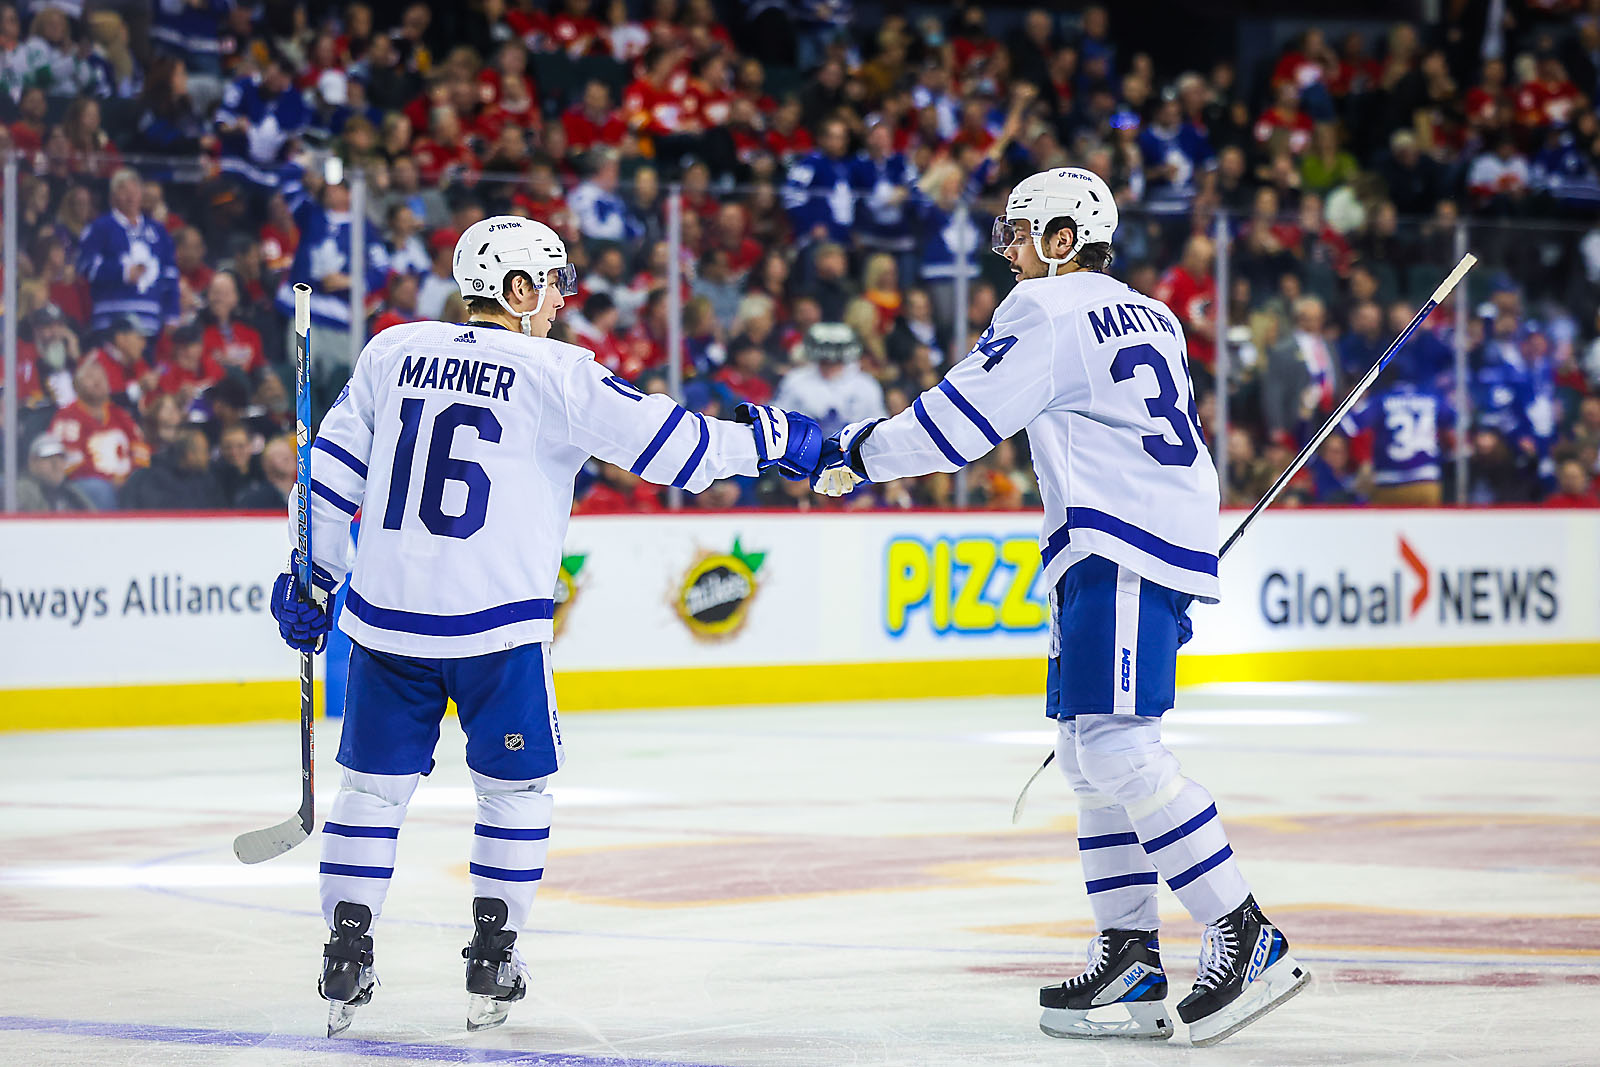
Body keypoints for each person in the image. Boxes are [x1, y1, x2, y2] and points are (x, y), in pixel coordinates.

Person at [265, 216, 823, 1037]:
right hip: (500, 632)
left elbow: (326, 477)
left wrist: (308, 575)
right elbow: (676, 448)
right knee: (516, 791)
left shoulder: (389, 350)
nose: (562, 301)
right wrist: (769, 442)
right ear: (518, 289)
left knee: (371, 790)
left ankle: (346, 951)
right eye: (554, 283)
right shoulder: (557, 372)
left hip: (390, 628)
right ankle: (494, 951)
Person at [811, 168, 1307, 1047]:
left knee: (1118, 745)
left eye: (1019, 232)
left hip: (1117, 541)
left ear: (1064, 239)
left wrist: (857, 451)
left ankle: (1245, 931)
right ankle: (1132, 954)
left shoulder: (1046, 310)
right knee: (1087, 751)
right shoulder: (1152, 312)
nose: (1006, 249)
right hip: (1128, 539)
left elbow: (959, 424)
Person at [774, 323, 888, 436]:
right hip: (803, 448)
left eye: (836, 362)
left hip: (852, 450)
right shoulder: (795, 380)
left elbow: (878, 427)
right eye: (824, 361)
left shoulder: (866, 385)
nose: (830, 365)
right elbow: (779, 420)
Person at [16, 433, 95, 512]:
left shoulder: (71, 492)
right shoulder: (23, 491)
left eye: (61, 458)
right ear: (32, 462)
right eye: (49, 458)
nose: (56, 465)